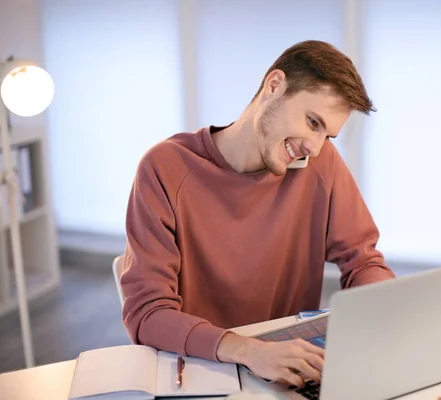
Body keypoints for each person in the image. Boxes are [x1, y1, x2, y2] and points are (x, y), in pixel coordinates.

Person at [120, 40, 395, 388]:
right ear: (274, 86)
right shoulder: (164, 168)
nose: (315, 145)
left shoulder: (319, 164)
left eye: (328, 134)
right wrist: (250, 351)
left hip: (288, 375)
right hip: (204, 371)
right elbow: (148, 313)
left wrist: (386, 311)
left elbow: (363, 261)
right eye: (313, 122)